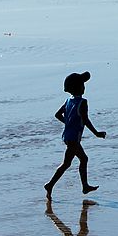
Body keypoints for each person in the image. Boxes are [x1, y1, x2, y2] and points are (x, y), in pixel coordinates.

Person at [45, 71, 106, 199]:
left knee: (69, 163)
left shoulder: (68, 101)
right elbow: (85, 120)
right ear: (77, 87)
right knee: (81, 160)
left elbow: (57, 115)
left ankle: (51, 185)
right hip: (73, 138)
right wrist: (96, 133)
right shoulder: (82, 102)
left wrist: (68, 123)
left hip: (67, 136)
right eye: (82, 85)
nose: (84, 87)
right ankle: (83, 186)